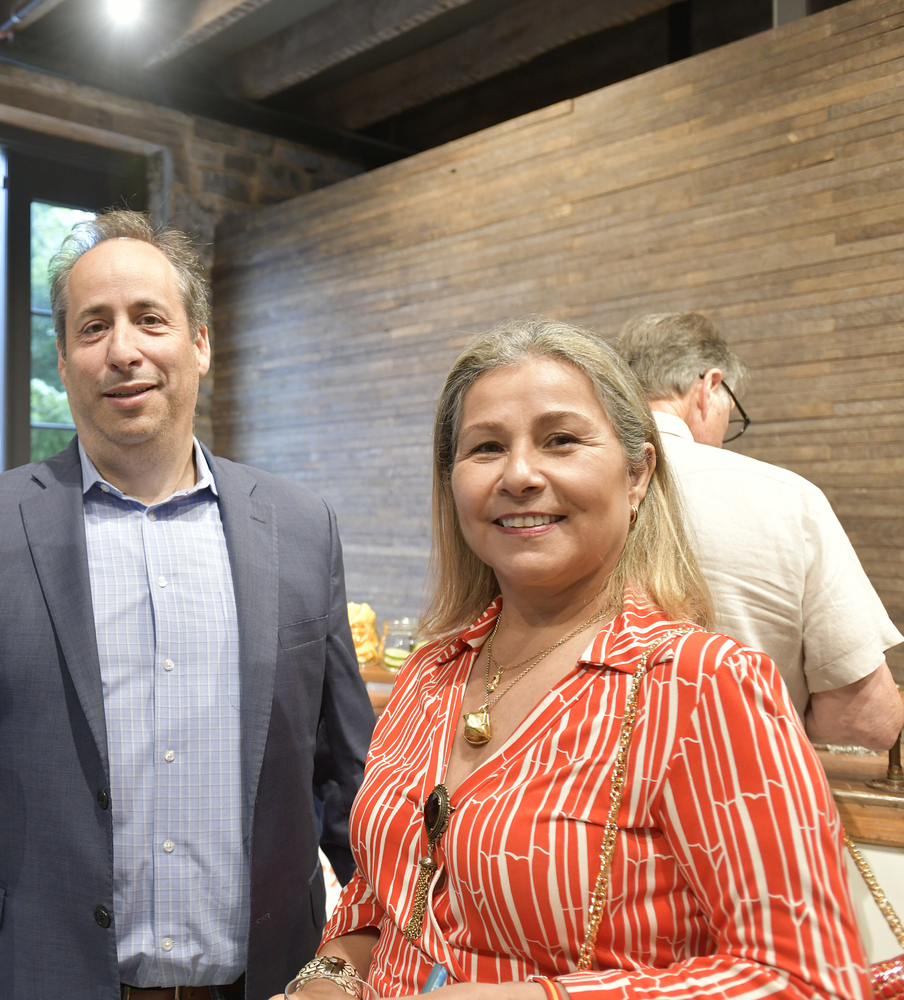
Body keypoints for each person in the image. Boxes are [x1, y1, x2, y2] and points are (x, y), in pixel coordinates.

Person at [0, 210, 376, 1000]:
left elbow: (350, 783)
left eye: (149, 319)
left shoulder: (303, 527)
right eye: (93, 327)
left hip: (270, 984)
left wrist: (368, 957)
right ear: (64, 361)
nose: (124, 350)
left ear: (199, 344)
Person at [277, 319, 866, 999]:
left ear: (638, 473)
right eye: (487, 447)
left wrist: (540, 996)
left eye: (561, 440)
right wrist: (332, 972)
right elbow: (387, 895)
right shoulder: (431, 675)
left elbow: (808, 979)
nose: (521, 474)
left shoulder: (705, 688)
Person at [618, 312, 902, 750]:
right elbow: (865, 720)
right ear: (708, 388)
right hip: (736, 792)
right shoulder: (788, 498)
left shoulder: (559, 494)